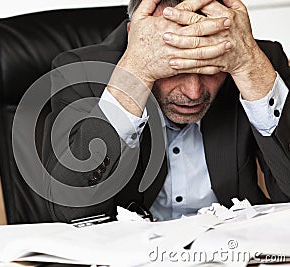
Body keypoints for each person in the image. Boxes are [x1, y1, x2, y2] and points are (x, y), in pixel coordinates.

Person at [43, 0, 290, 222]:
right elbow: (69, 211)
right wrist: (135, 74)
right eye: (174, 66)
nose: (193, 93)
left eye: (212, 67)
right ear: (137, 42)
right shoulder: (82, 72)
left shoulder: (255, 64)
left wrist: (251, 68)